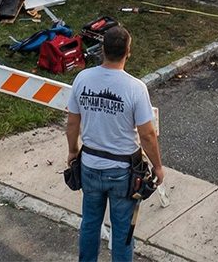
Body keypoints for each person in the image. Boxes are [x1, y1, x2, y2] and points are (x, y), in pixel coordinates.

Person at [66, 26, 164, 262]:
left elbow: (72, 122)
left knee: (90, 223)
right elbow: (148, 135)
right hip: (122, 172)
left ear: (102, 49)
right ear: (128, 52)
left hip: (89, 165)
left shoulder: (82, 79)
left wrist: (72, 151)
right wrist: (158, 167)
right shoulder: (135, 88)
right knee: (122, 232)